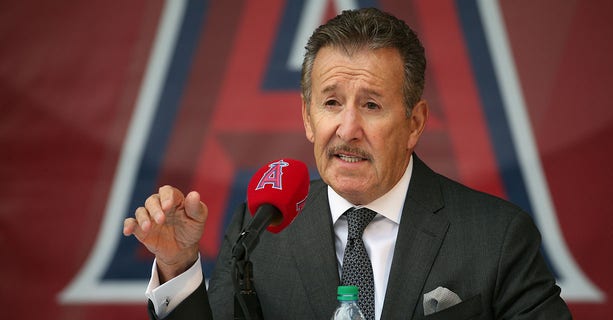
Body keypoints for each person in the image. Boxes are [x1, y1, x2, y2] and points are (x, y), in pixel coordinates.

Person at [123, 8, 572, 320]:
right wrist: (179, 265)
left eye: (372, 105)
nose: (347, 127)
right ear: (307, 117)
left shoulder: (496, 237)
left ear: (414, 123)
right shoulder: (259, 231)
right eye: (332, 102)